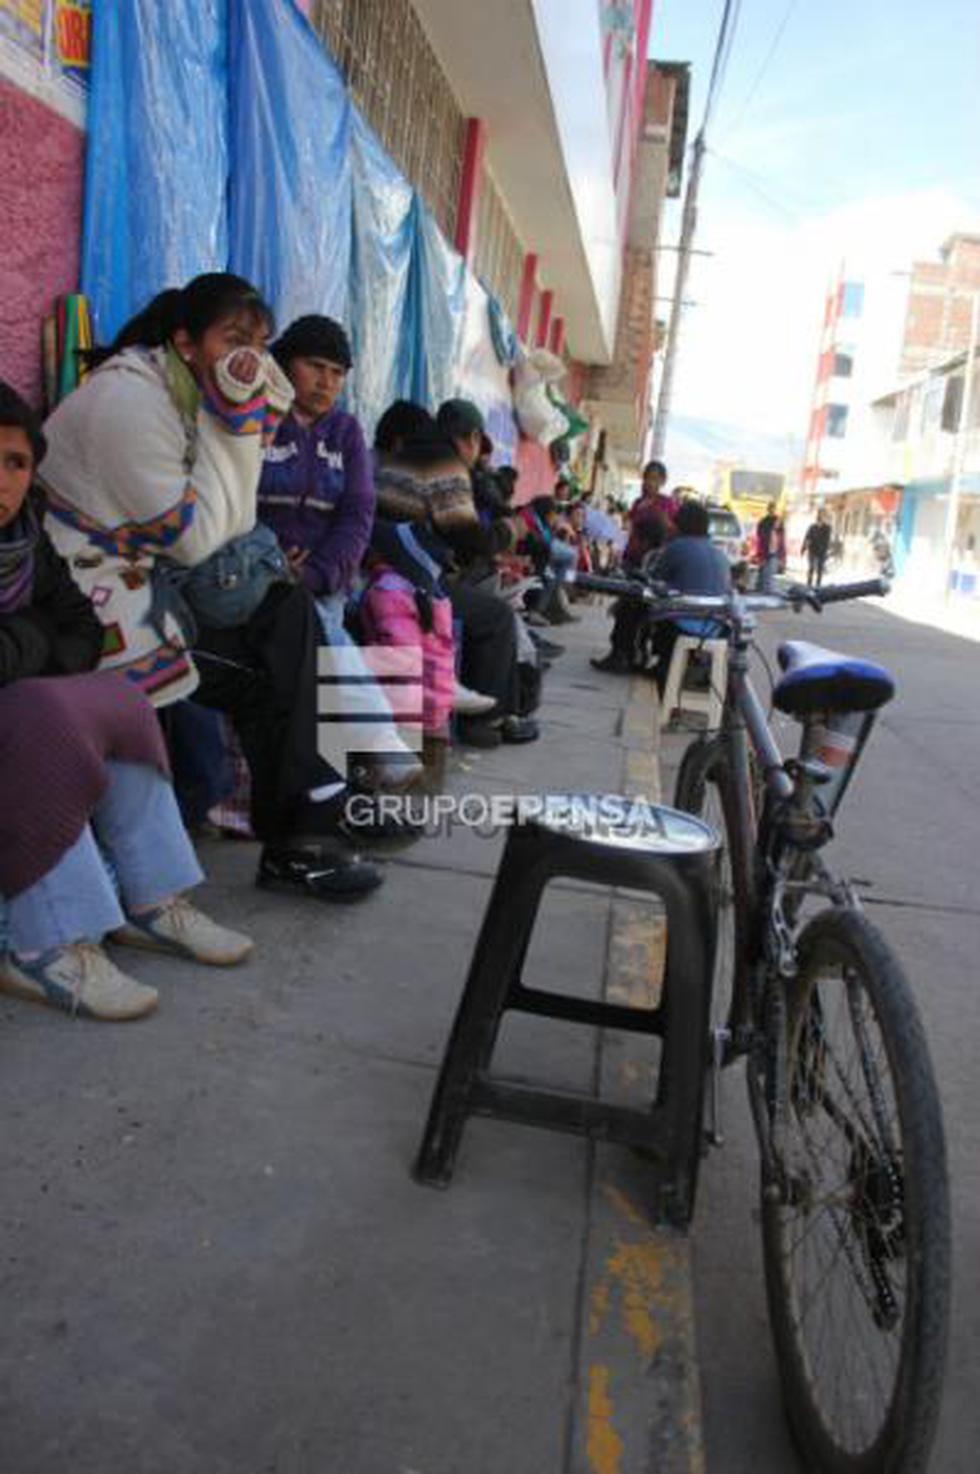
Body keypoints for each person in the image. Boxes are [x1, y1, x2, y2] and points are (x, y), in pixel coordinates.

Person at [38, 273, 381, 900]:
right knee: (274, 658)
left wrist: (240, 417)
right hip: (84, 603)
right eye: (232, 340)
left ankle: (309, 824)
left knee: (288, 615)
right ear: (186, 341)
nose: (247, 359)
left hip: (153, 580)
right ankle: (303, 821)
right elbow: (198, 538)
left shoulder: (182, 391)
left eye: (258, 343)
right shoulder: (129, 402)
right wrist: (241, 424)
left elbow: (239, 521)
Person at [0, 381, 252, 1022]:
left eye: (16, 463)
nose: (2, 481)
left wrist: (28, 647)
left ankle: (152, 899)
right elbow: (47, 640)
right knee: (44, 716)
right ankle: (45, 941)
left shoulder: (27, 542)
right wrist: (36, 643)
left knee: (121, 699)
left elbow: (84, 630)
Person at [260, 314, 422, 793]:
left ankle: (348, 773)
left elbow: (357, 515)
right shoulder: (260, 418)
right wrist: (268, 559)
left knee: (322, 627)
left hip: (322, 580)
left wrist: (319, 571)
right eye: (315, 366)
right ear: (286, 363)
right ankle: (374, 745)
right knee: (322, 639)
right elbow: (235, 498)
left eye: (337, 372)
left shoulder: (346, 432)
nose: (326, 381)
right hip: (258, 573)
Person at [378, 402, 538, 748]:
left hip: (389, 570)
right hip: (407, 580)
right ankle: (484, 719)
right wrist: (510, 530)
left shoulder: (406, 456)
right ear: (473, 438)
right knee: (496, 615)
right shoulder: (444, 463)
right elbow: (466, 537)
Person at [592, 462, 674, 674]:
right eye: (647, 477)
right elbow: (630, 531)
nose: (649, 482)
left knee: (633, 611)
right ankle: (621, 654)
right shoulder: (638, 503)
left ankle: (629, 655)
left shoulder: (667, 504)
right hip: (632, 561)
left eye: (655, 478)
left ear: (663, 481)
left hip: (652, 565)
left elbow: (670, 532)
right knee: (624, 608)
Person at [644, 498, 731, 697]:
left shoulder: (677, 547)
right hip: (715, 628)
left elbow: (654, 580)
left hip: (683, 627)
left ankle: (655, 664)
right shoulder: (719, 553)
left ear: (680, 524)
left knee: (644, 610)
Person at [755, 501, 786, 592]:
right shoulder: (764, 522)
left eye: (773, 508)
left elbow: (782, 543)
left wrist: (782, 556)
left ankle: (768, 590)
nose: (777, 524)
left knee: (771, 573)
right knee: (764, 572)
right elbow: (760, 539)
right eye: (771, 508)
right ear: (768, 509)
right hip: (765, 552)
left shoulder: (779, 529)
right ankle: (762, 588)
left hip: (774, 553)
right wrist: (759, 554)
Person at [801, 508, 832, 588]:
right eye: (819, 514)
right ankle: (808, 586)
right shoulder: (812, 527)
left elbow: (827, 541)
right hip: (812, 550)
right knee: (811, 568)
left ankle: (818, 587)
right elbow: (807, 537)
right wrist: (803, 549)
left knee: (819, 570)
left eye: (822, 514)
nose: (820, 516)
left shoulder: (827, 528)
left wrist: (825, 552)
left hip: (821, 552)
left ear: (824, 516)